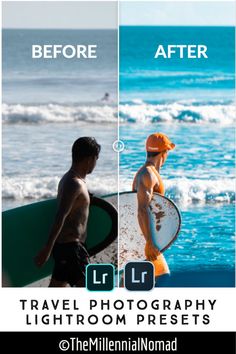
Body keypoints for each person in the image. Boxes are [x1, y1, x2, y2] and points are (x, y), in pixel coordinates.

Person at [35, 137, 101, 287]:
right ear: (90, 159)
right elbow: (61, 215)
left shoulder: (71, 179)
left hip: (65, 249)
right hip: (73, 250)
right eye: (96, 159)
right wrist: (47, 248)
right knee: (94, 289)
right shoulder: (74, 183)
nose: (95, 164)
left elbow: (73, 208)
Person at [132, 132, 175, 280]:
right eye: (167, 151)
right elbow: (142, 209)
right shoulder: (147, 174)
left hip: (145, 239)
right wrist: (149, 242)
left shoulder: (150, 172)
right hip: (145, 241)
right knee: (163, 278)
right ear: (164, 152)